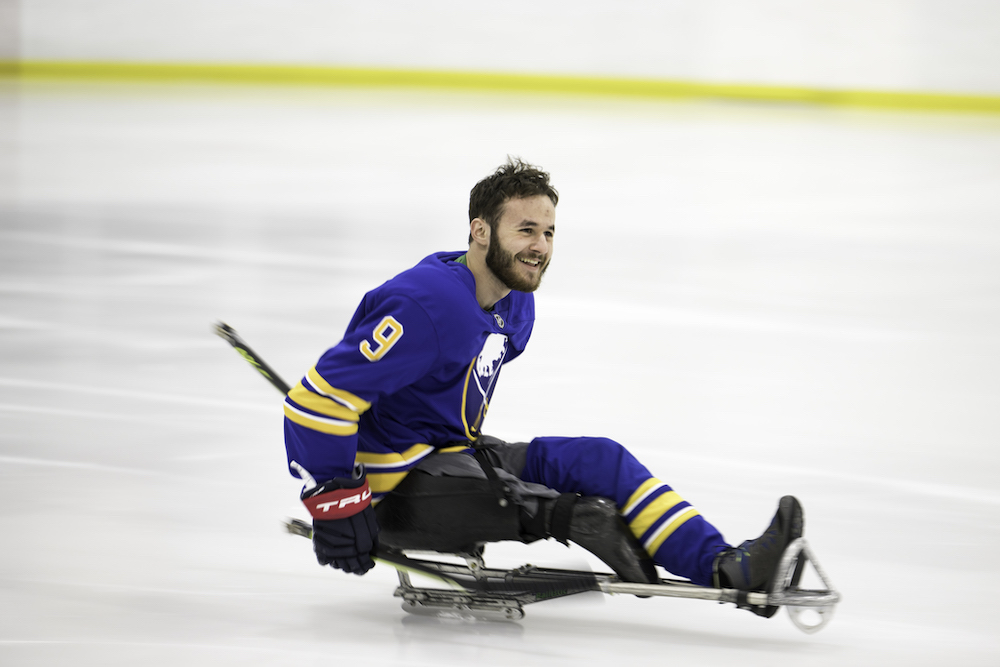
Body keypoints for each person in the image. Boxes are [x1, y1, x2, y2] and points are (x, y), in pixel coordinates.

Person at [283, 157, 804, 618]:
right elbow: (317, 400)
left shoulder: (514, 302)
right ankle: (579, 522)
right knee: (575, 512)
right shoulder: (429, 307)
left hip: (450, 455)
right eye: (525, 230)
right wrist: (336, 502)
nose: (539, 246)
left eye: (549, 232)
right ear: (480, 231)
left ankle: (726, 566)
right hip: (393, 492)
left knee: (602, 460)